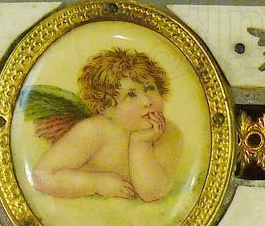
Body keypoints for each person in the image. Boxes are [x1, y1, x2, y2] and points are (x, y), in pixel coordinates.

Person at [26, 49, 182, 202]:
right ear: (106, 109)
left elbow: (153, 193)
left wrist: (141, 143)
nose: (147, 102)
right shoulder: (94, 130)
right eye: (131, 95)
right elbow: (41, 176)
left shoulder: (169, 133)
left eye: (150, 88)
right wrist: (96, 184)